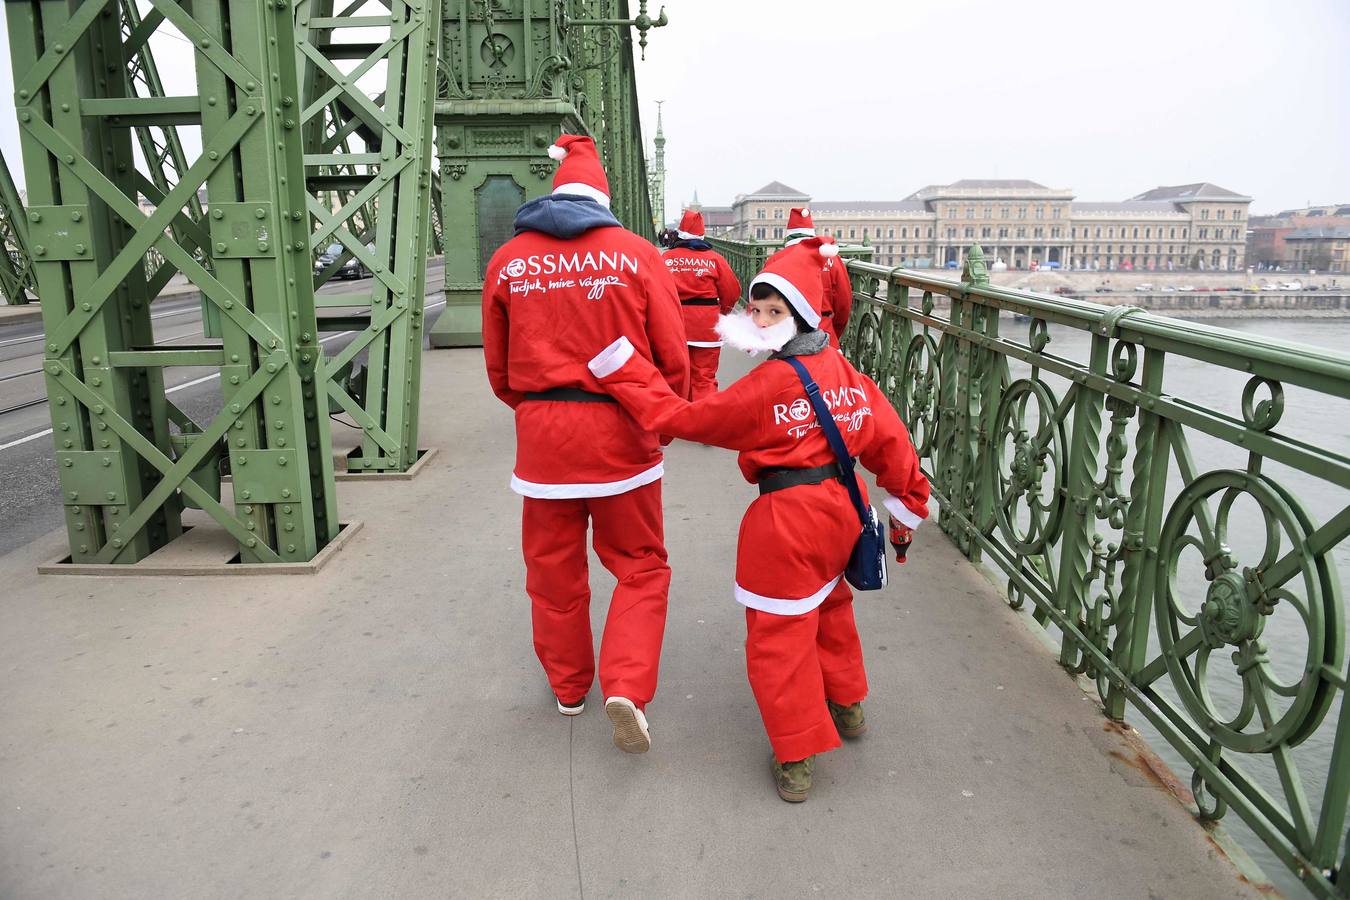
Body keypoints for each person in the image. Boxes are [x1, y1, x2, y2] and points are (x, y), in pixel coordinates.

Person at [584, 237, 930, 800]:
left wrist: (622, 371)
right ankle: (848, 704)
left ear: (799, 316)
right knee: (831, 606)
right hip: (844, 508)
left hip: (788, 520)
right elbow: (890, 441)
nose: (762, 320)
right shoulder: (844, 370)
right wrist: (908, 501)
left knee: (779, 636)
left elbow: (690, 418)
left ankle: (796, 755)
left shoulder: (770, 385)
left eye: (775, 312)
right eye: (757, 308)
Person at [481, 134, 690, 754]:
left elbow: (498, 368)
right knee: (641, 565)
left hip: (543, 445)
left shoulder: (508, 261)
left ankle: (570, 686)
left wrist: (535, 409)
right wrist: (665, 420)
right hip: (622, 435)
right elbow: (672, 352)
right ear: (603, 196)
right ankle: (625, 684)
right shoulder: (636, 254)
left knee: (552, 570)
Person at [662, 209, 742, 399]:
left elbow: (652, 291)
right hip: (706, 327)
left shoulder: (665, 259)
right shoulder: (715, 260)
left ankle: (675, 424)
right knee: (704, 378)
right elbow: (732, 292)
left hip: (673, 325)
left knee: (674, 378)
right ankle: (705, 423)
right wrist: (720, 312)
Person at [766, 207, 853, 349]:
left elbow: (764, 301)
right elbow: (844, 302)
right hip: (824, 331)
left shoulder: (775, 260)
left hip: (787, 333)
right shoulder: (830, 258)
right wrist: (834, 330)